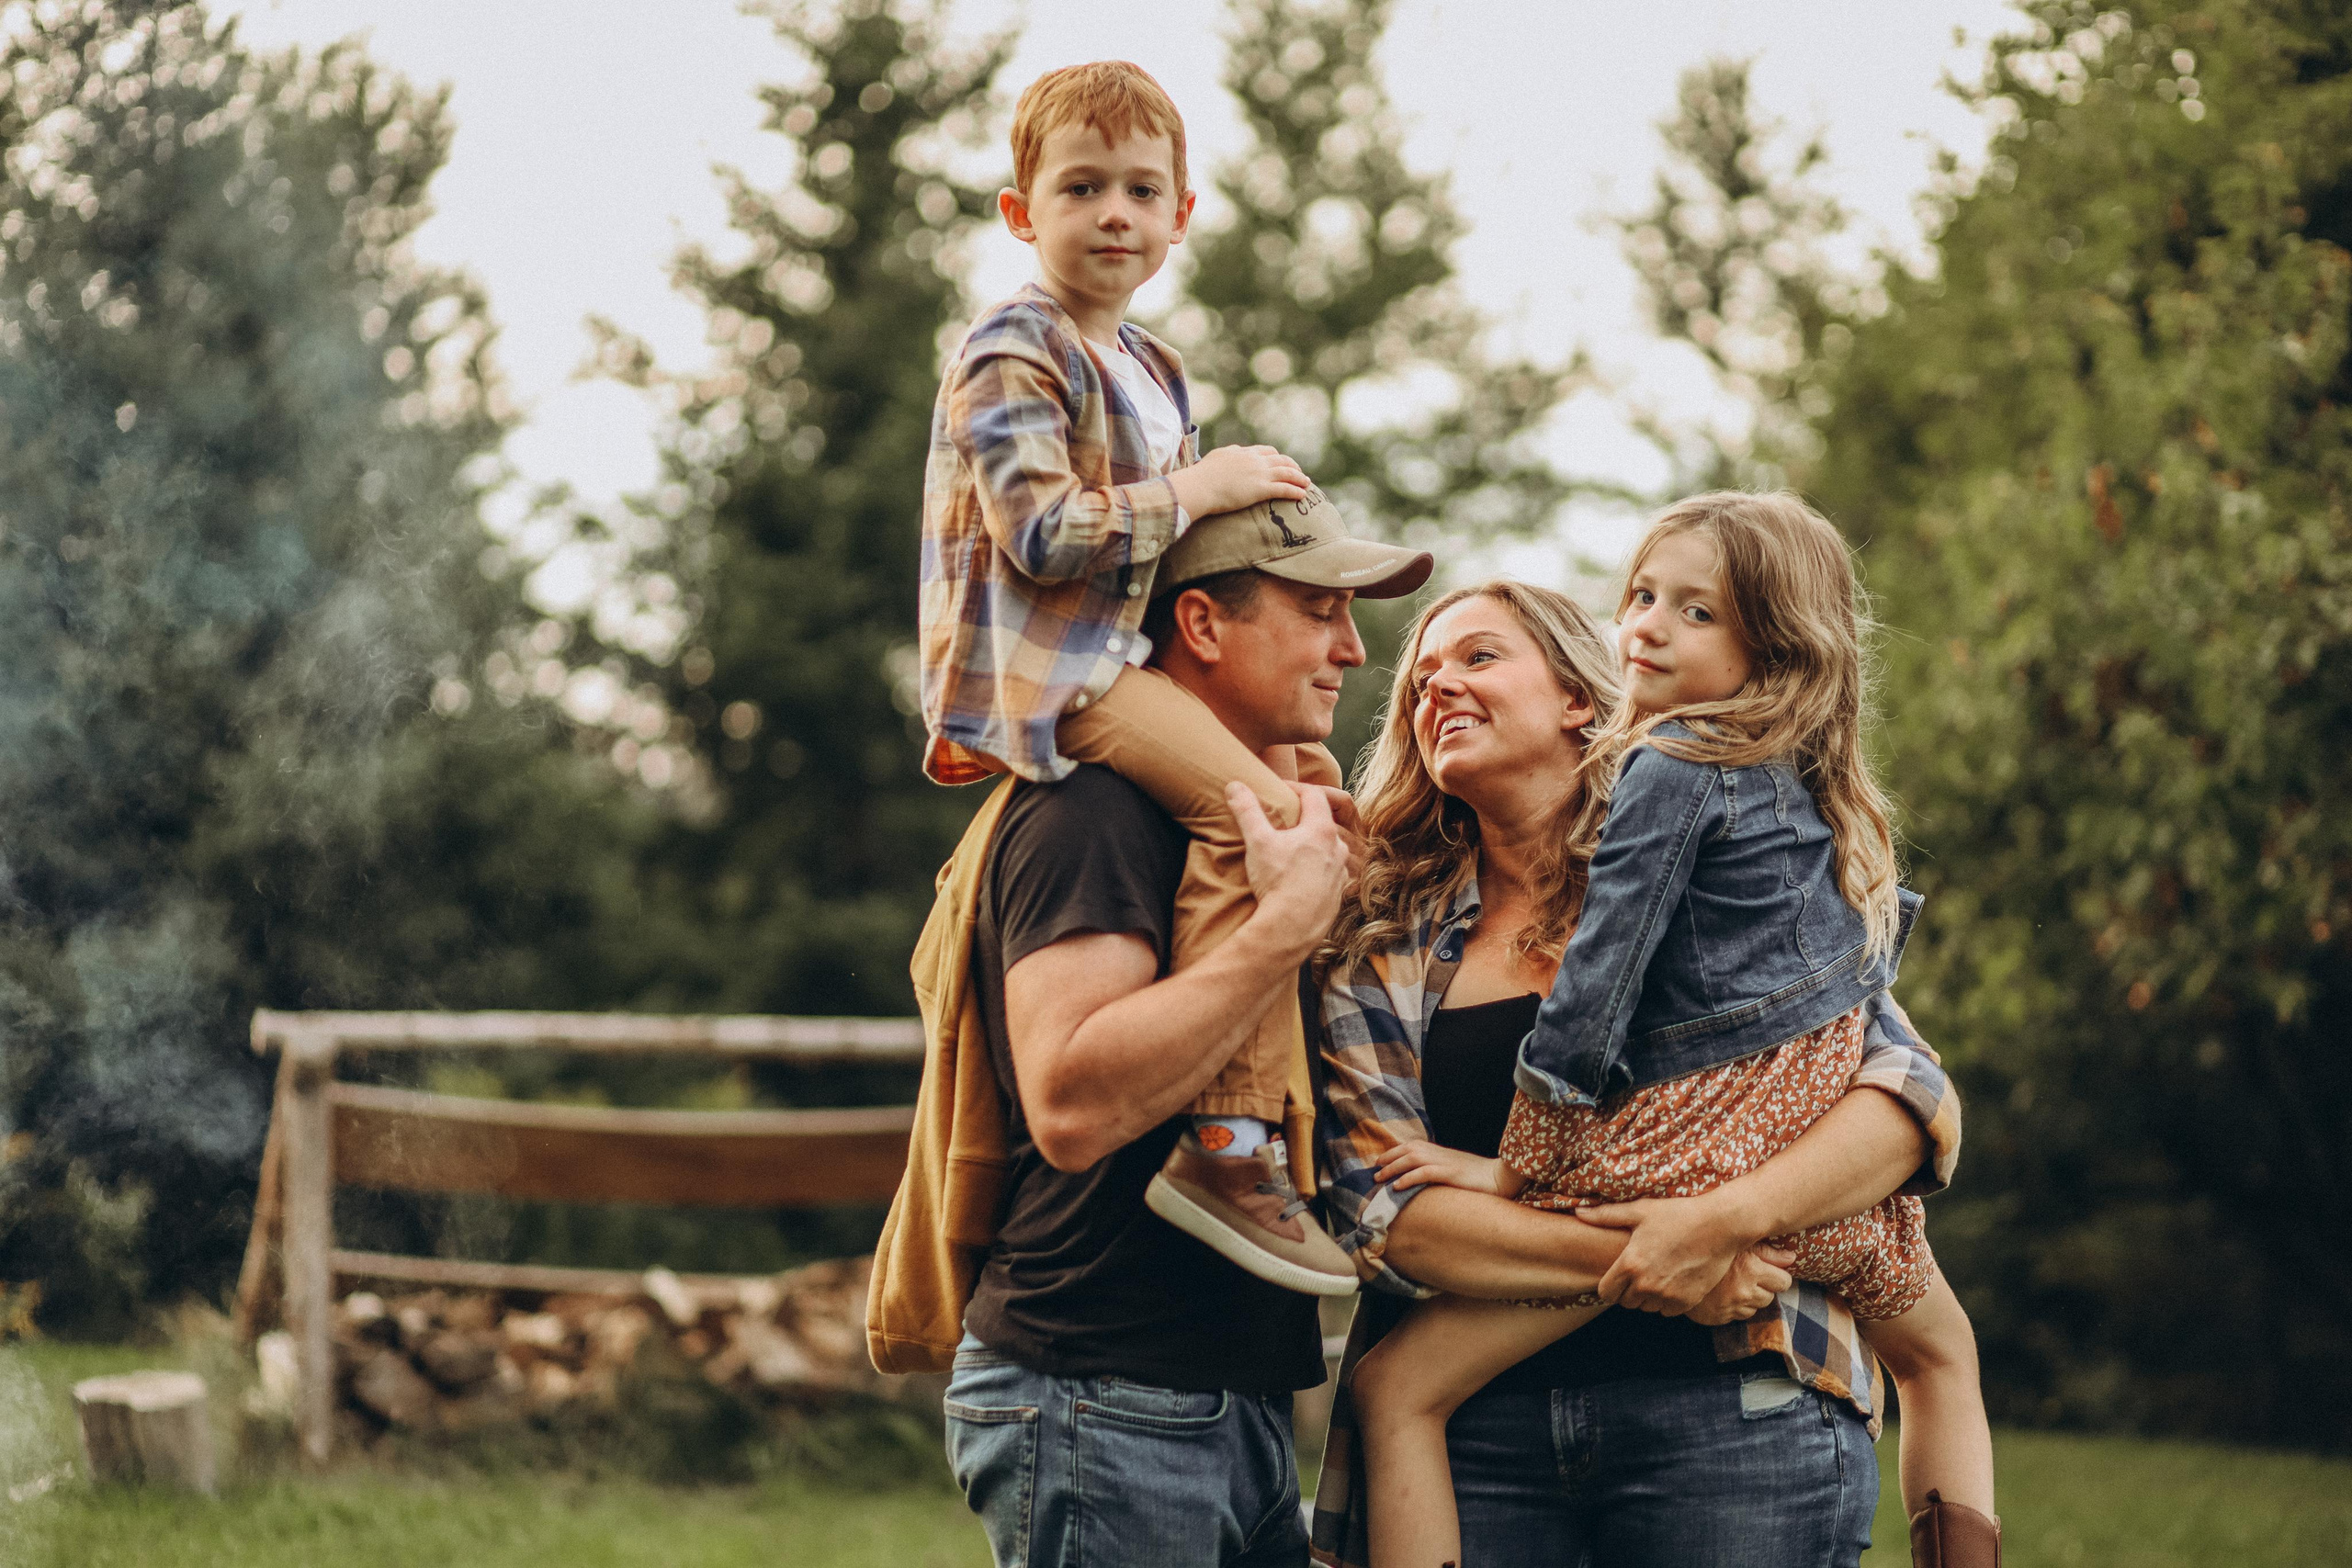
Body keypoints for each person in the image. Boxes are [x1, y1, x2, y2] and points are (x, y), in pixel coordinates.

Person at [1314, 571, 1985, 1568]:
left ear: (1577, 699)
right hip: (1480, 1438)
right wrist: (1676, 1255)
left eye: (1478, 657)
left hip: (1736, 1402)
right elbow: (1387, 1213)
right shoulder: (1381, 941)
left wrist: (1719, 1220)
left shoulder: (1717, 872)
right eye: (1419, 680)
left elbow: (1906, 1097)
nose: (1436, 687)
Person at [918, 58, 1387, 1292]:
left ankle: (1327, 1093)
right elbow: (1040, 532)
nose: (1113, 214)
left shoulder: (1156, 364)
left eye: (1140, 189)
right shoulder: (1010, 349)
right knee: (1259, 818)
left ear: (1183, 213)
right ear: (1023, 212)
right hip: (1056, 674)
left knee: (1309, 773)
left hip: (1123, 656)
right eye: (1081, 187)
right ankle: (1227, 1143)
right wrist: (1202, 485)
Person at [944, 502, 1430, 1568]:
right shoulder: (1097, 810)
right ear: (1202, 625)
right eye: (1320, 612)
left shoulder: (1245, 813)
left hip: (1222, 1394)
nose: (1350, 648)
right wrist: (1280, 934)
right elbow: (1071, 1102)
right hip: (1104, 1390)